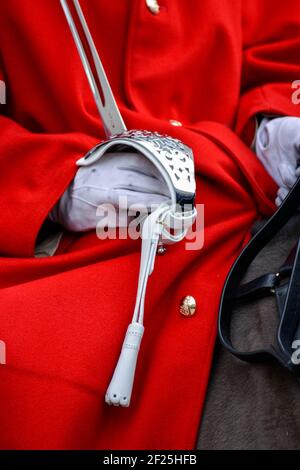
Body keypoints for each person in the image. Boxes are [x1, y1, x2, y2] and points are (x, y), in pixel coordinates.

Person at [0, 0, 299, 450]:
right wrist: (50, 184)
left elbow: (281, 46)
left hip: (239, 192)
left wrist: (272, 120)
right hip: (71, 236)